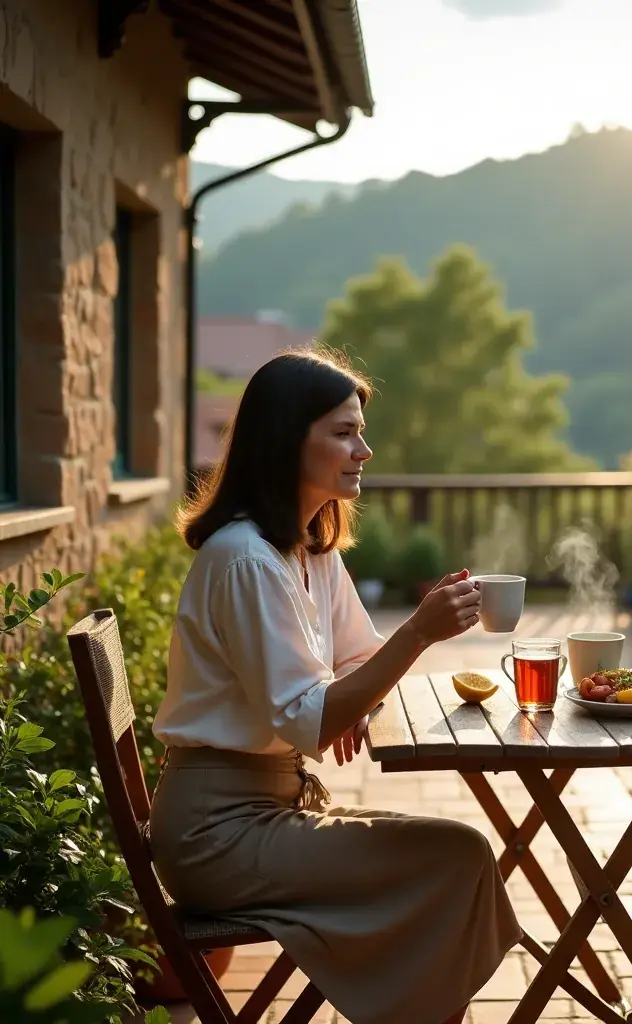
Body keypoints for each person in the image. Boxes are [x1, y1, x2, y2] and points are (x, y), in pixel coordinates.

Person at [149, 349, 522, 1024]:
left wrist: (354, 692)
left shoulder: (307, 549)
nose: (364, 451)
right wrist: (417, 634)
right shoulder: (244, 560)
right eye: (344, 433)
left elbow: (356, 659)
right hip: (216, 835)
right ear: (288, 440)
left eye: (360, 432)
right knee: (455, 858)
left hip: (264, 812)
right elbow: (311, 720)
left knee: (454, 856)